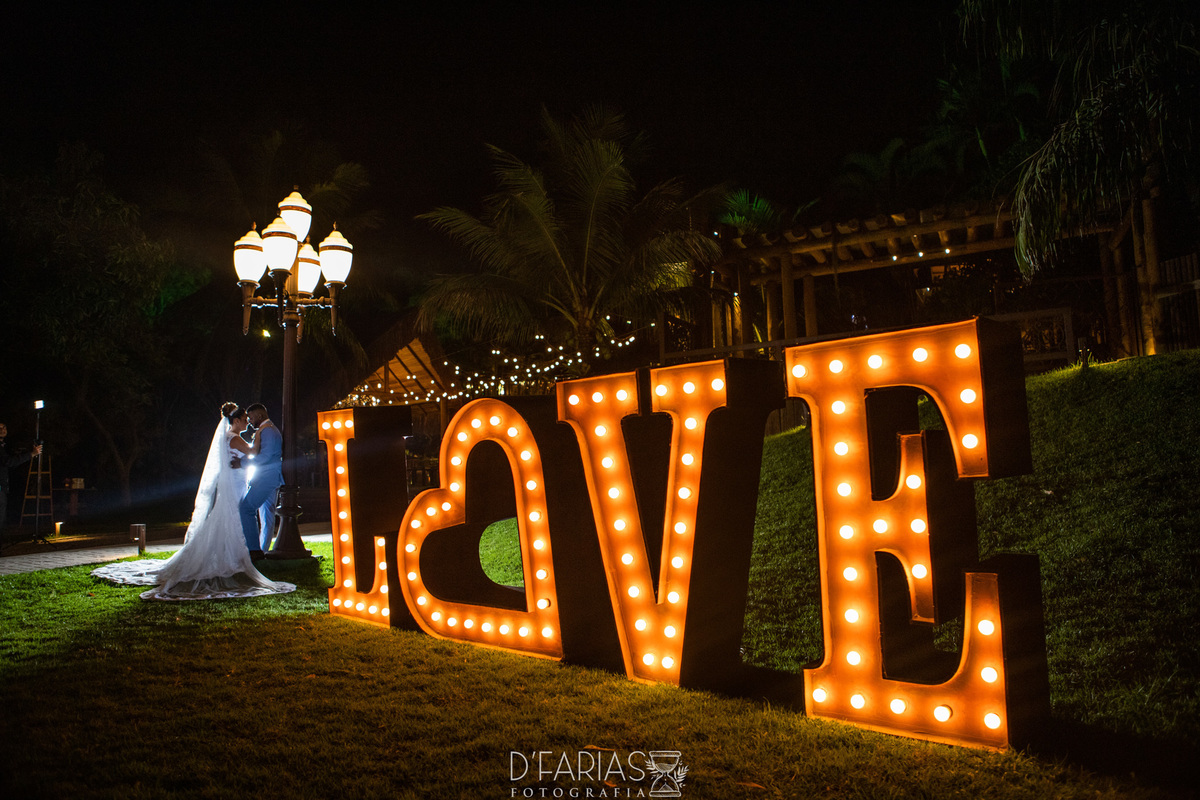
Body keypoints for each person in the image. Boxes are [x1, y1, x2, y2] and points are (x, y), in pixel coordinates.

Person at [91, 403, 295, 601]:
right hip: (236, 483)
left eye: (249, 420)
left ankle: (240, 552)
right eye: (244, 419)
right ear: (235, 420)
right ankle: (246, 552)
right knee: (239, 513)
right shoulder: (236, 438)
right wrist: (258, 436)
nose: (248, 423)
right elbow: (252, 452)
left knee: (237, 515)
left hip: (238, 482)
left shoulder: (229, 437)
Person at [240, 402, 283, 558]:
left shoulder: (269, 431)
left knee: (246, 509)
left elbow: (265, 457)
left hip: (267, 478)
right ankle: (262, 550)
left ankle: (254, 550)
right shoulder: (266, 430)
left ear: (259, 415)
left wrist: (242, 462)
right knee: (266, 517)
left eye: (250, 417)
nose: (249, 421)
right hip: (269, 477)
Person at [1, 422, 43, 535]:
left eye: (4, 427)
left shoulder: (5, 445)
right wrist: (31, 454)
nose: (2, 430)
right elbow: (9, 461)